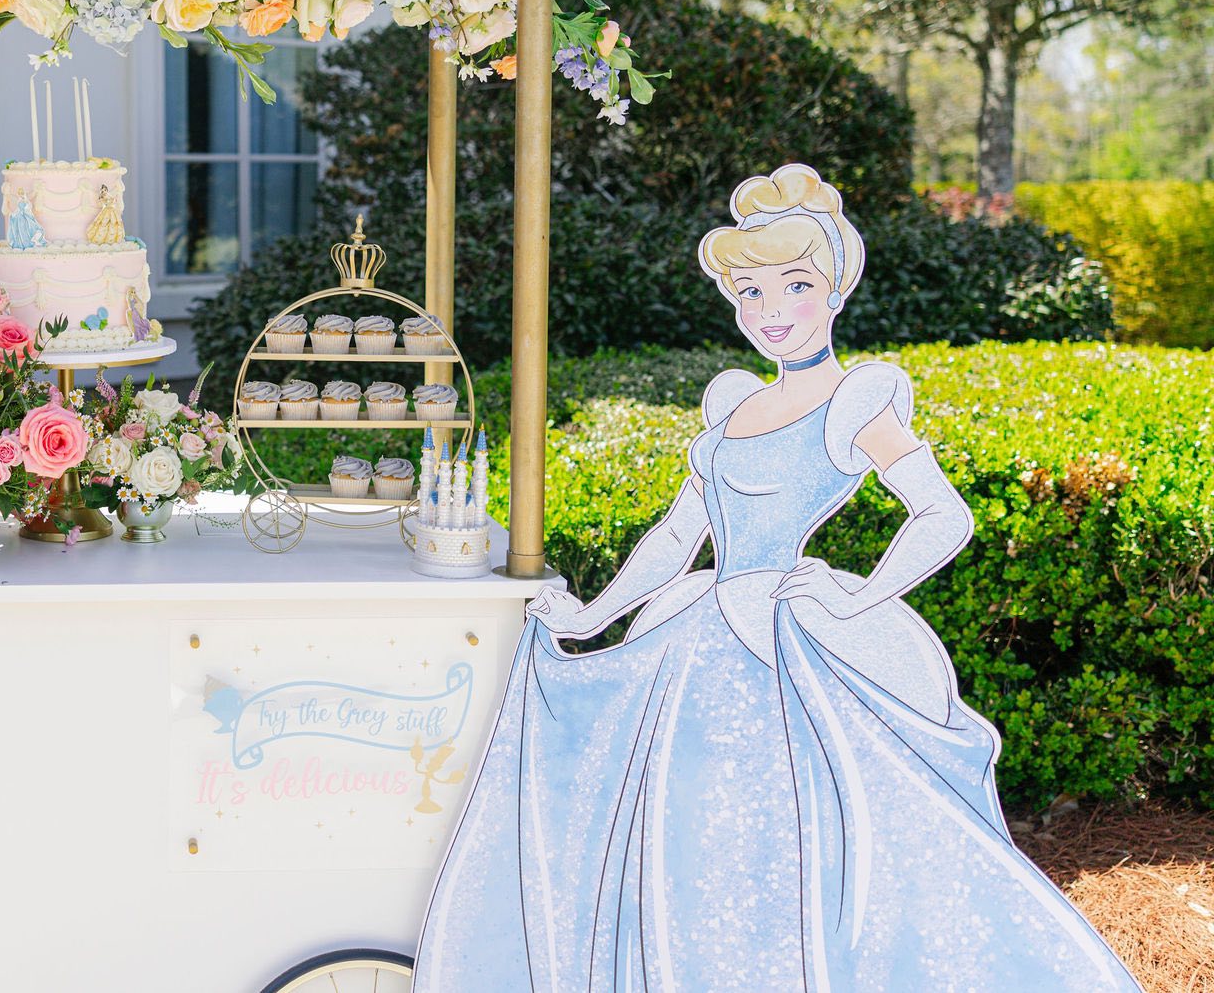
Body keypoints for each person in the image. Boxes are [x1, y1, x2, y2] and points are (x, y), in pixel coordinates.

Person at [414, 164, 1140, 991]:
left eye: (794, 285)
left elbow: (944, 515)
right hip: (699, 639)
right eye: (750, 292)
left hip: (786, 648)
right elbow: (679, 534)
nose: (770, 311)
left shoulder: (855, 400)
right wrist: (591, 618)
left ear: (835, 292)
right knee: (693, 838)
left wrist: (858, 595)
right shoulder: (733, 402)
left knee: (789, 842)